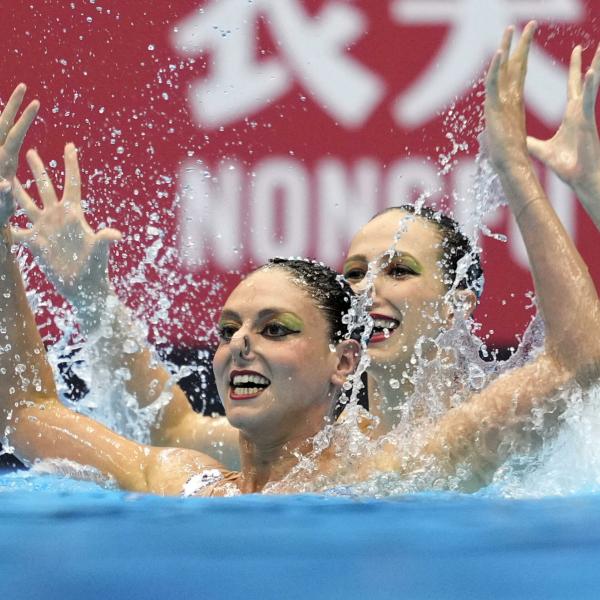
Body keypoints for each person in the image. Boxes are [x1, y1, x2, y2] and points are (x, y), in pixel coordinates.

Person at [3, 23, 600, 495]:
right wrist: (89, 295)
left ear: (458, 301)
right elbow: (161, 427)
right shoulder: (285, 457)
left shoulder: (441, 448)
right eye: (355, 273)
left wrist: (521, 173)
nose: (364, 292)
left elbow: (579, 361)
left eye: (398, 270)